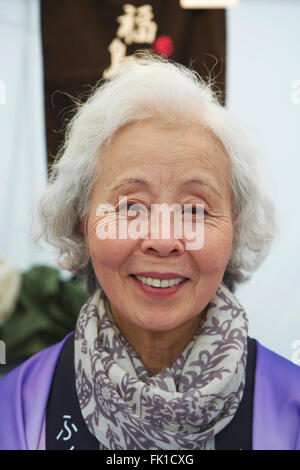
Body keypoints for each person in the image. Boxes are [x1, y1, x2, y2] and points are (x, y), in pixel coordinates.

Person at [0, 52, 299, 450]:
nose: (162, 239)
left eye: (195, 210)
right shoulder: (18, 407)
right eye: (130, 207)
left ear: (236, 229)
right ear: (81, 221)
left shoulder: (290, 409)